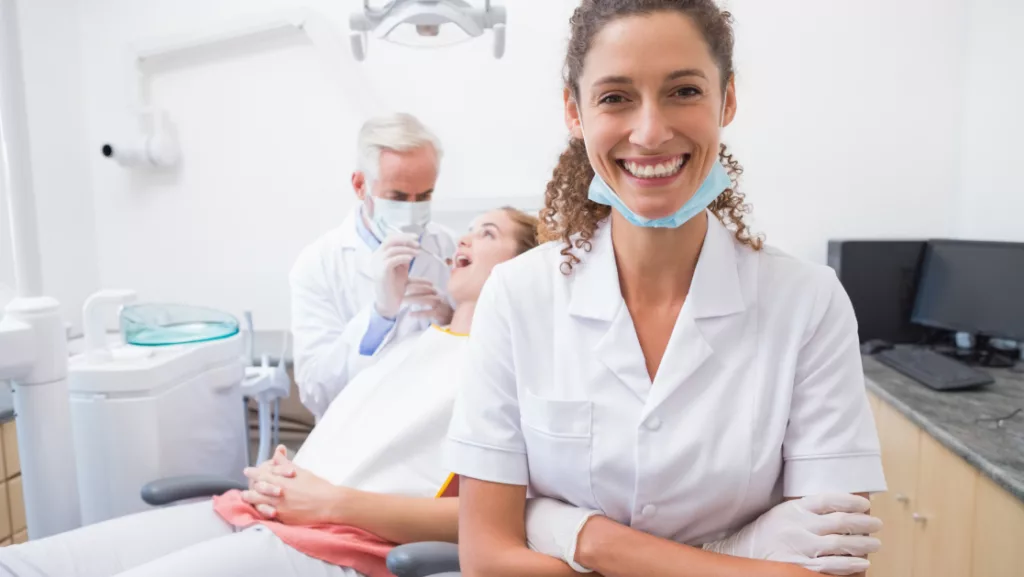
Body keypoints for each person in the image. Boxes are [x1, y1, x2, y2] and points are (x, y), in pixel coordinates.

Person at [445, 2, 887, 577]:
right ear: (573, 112)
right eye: (615, 97)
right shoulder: (519, 295)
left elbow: (831, 565)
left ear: (727, 99)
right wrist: (734, 554)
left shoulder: (808, 302)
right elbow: (488, 559)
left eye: (683, 91)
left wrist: (570, 533)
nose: (650, 132)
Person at [0, 207, 536, 577]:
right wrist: (286, 469)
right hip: (257, 507)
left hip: (334, 544)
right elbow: (348, 431)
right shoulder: (417, 343)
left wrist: (330, 501)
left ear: (525, 269)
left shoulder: (512, 372)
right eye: (468, 228)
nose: (462, 238)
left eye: (487, 233)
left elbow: (495, 520)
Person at [290, 112, 458, 420]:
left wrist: (451, 321)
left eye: (424, 196)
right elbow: (316, 392)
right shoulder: (317, 264)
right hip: (352, 435)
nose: (411, 210)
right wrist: (380, 315)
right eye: (397, 196)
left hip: (429, 430)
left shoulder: (450, 248)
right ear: (359, 185)